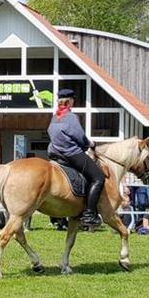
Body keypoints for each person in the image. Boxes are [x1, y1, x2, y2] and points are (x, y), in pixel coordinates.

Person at [47, 88, 103, 228]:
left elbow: (51, 132)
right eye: (73, 100)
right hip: (70, 153)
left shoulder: (55, 117)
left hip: (55, 153)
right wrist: (90, 144)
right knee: (98, 178)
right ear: (70, 101)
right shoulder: (71, 117)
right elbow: (79, 136)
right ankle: (90, 214)